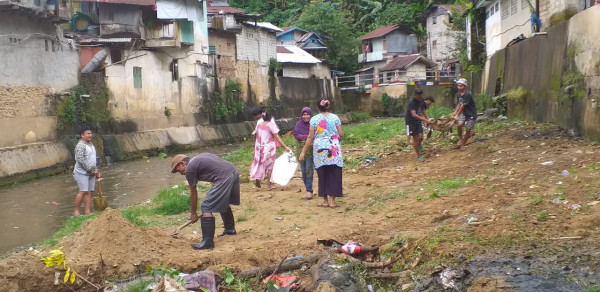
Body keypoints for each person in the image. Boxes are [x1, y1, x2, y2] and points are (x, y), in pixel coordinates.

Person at [171, 153, 240, 250]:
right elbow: (216, 166)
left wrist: (193, 213)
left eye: (179, 170)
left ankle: (207, 243)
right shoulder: (199, 158)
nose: (181, 173)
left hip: (224, 177)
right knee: (222, 201)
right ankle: (230, 230)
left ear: (182, 164)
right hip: (234, 172)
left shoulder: (190, 168)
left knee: (206, 207)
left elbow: (193, 193)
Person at [299, 98, 343, 208]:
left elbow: (310, 137)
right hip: (334, 149)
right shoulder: (335, 118)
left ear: (317, 107)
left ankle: (325, 201)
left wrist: (303, 152)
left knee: (322, 175)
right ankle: (333, 202)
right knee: (334, 174)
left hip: (320, 151)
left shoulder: (314, 120)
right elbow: (340, 134)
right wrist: (335, 142)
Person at [249, 111, 290, 190]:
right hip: (269, 148)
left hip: (260, 147)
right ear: (270, 118)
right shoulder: (271, 125)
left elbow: (257, 137)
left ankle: (258, 179)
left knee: (259, 163)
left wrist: (255, 150)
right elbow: (277, 137)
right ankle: (269, 185)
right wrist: (285, 146)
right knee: (270, 166)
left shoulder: (259, 124)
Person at [72, 126, 100, 216]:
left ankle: (87, 212)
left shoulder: (91, 144)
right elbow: (80, 160)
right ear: (82, 135)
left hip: (91, 171)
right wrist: (89, 170)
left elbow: (93, 159)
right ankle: (76, 211)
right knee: (83, 191)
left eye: (91, 133)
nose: (90, 135)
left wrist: (96, 171)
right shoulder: (80, 145)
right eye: (88, 134)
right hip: (81, 172)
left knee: (89, 191)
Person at [293, 107, 314, 200]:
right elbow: (296, 134)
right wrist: (307, 137)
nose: (306, 116)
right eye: (304, 114)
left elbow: (314, 135)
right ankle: (308, 189)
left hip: (310, 150)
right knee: (303, 171)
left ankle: (309, 191)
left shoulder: (313, 124)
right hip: (300, 150)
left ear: (310, 115)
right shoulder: (299, 124)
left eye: (307, 114)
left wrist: (307, 138)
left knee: (309, 170)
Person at [405, 88, 431, 162]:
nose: (419, 96)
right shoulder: (411, 102)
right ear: (415, 95)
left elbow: (422, 110)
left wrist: (428, 118)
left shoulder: (421, 100)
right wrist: (425, 120)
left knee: (421, 137)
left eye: (420, 95)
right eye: (418, 95)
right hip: (411, 122)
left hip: (418, 121)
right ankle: (419, 156)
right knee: (416, 138)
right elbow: (414, 115)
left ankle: (419, 145)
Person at [451, 78, 477, 151]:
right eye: (458, 86)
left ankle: (463, 144)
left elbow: (463, 106)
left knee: (468, 130)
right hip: (464, 113)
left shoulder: (467, 94)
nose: (459, 87)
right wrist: (455, 113)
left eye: (461, 86)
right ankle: (461, 138)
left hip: (471, 114)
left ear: (465, 86)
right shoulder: (459, 94)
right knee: (459, 125)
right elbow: (459, 104)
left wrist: (457, 115)